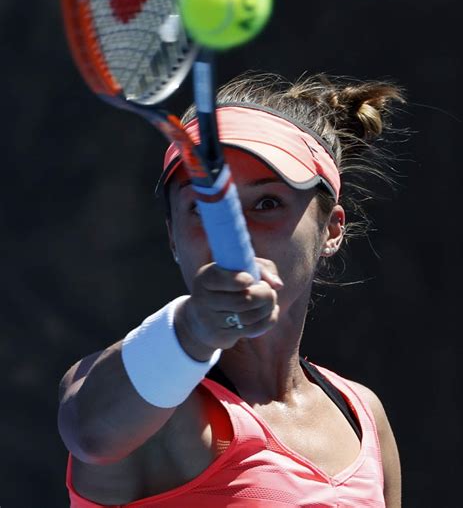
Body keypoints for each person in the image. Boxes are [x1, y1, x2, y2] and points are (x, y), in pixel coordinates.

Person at [58, 72, 404, 507]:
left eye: (267, 203)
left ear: (331, 230)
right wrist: (194, 328)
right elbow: (90, 434)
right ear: (173, 238)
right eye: (204, 207)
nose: (233, 233)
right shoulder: (159, 414)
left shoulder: (362, 416)